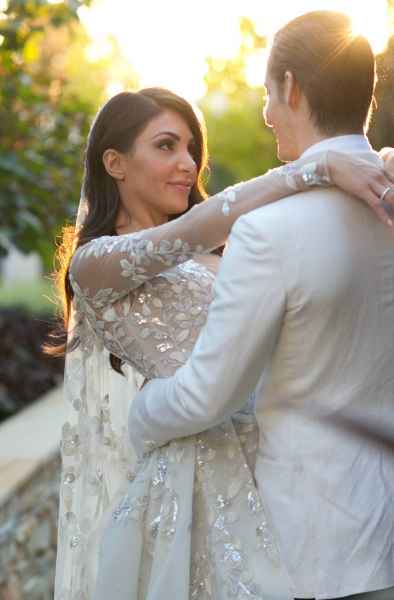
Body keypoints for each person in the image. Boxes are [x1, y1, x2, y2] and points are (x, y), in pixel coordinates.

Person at [52, 82, 394, 599]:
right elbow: (193, 227)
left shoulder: (221, 254)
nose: (188, 163)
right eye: (167, 146)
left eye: (192, 148)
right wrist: (315, 168)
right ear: (115, 163)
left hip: (275, 464)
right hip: (193, 478)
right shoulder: (96, 264)